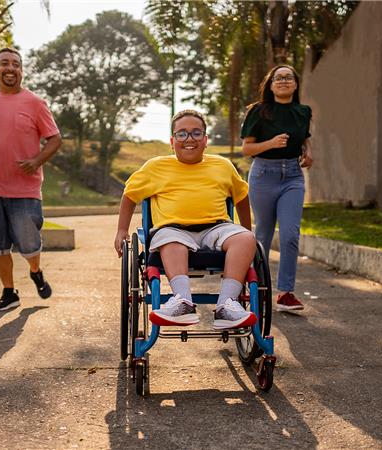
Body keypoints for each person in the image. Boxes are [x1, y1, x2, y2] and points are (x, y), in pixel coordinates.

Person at [114, 110, 258, 329]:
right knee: (170, 241)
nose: (189, 139)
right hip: (173, 229)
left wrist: (245, 231)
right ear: (172, 141)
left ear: (206, 140)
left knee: (246, 238)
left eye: (196, 133)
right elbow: (130, 195)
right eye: (182, 134)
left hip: (216, 228)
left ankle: (226, 306)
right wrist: (121, 231)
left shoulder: (222, 166)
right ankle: (183, 302)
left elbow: (241, 196)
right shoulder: (155, 167)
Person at [0, 47, 62, 312]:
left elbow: (55, 139)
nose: (11, 68)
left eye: (16, 64)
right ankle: (9, 292)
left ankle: (35, 270)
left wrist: (36, 161)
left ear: (21, 70)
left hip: (26, 190)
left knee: (29, 245)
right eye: (5, 63)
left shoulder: (35, 103)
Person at [240, 64, 313, 312]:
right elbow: (247, 149)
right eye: (278, 78)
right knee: (262, 235)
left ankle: (285, 293)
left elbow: (304, 137)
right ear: (270, 85)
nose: (283, 81)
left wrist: (308, 153)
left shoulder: (303, 111)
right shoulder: (259, 111)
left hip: (293, 176)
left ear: (295, 84)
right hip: (263, 174)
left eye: (288, 77)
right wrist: (270, 143)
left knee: (291, 234)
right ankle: (257, 289)